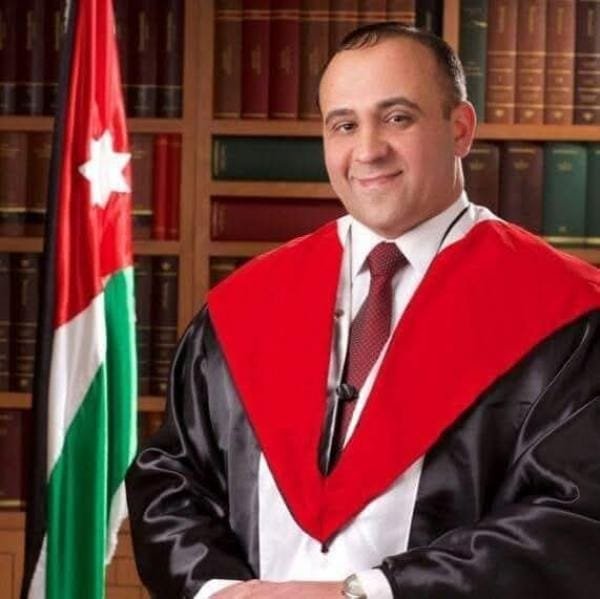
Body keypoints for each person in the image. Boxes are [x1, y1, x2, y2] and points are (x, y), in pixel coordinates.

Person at [126, 23, 600, 599]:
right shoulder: (247, 303)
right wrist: (219, 591)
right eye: (344, 125)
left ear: (460, 129)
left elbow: (572, 520)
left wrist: (369, 593)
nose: (368, 150)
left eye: (397, 118)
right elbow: (172, 476)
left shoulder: (567, 313)